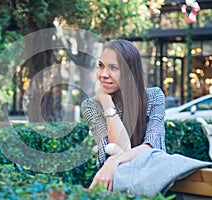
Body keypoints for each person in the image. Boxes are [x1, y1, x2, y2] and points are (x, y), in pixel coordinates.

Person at [81, 39, 211, 195]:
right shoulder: (91, 106)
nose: (103, 74)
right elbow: (120, 149)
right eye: (101, 66)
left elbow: (151, 145)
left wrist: (113, 161)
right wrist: (106, 102)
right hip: (114, 184)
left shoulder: (153, 96)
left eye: (113, 68)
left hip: (156, 183)